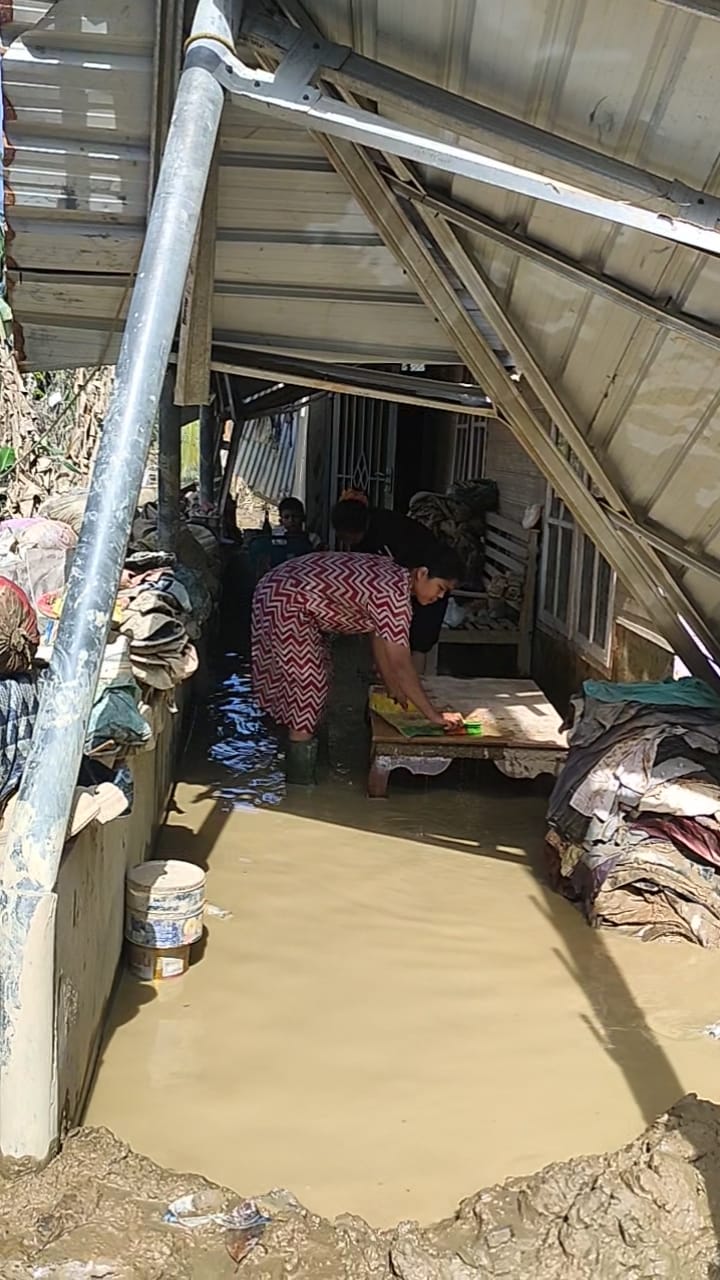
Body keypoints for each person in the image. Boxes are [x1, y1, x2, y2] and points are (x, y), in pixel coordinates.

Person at [251, 549, 464, 783]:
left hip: (280, 588)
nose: (440, 597)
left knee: (317, 679)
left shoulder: (395, 578)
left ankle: (308, 753)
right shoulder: (393, 595)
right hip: (284, 600)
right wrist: (434, 716)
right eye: (441, 588)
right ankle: (300, 784)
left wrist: (393, 686)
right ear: (422, 574)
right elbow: (402, 665)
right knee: (309, 686)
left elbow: (379, 637)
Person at [331, 493, 460, 671]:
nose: (346, 543)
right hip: (411, 587)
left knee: (418, 642)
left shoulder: (392, 536)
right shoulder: (366, 542)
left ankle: (411, 686)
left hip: (423, 583)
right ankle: (388, 680)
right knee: (388, 637)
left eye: (347, 538)